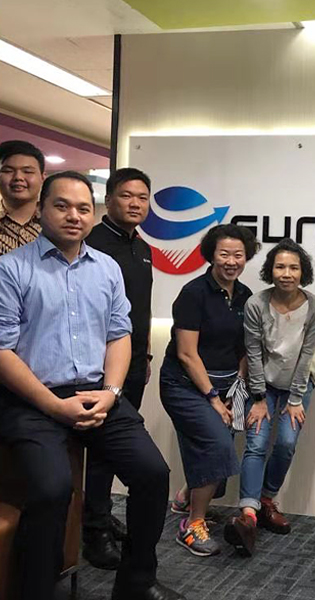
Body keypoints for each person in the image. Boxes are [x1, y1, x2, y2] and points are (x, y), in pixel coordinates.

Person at [0, 171, 182, 600]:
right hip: (32, 399)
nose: (74, 216)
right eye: (62, 206)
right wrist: (53, 405)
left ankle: (136, 582)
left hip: (97, 392)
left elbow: (119, 335)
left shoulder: (107, 268)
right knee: (52, 489)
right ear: (41, 210)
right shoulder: (11, 268)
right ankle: (37, 589)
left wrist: (111, 392)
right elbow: (2, 349)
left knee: (153, 474)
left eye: (83, 208)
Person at [160, 223, 260, 557]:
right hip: (185, 385)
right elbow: (187, 354)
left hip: (226, 385)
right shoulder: (194, 293)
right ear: (211, 256)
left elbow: (244, 347)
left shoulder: (244, 295)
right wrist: (214, 399)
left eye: (238, 255)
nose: (231, 261)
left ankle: (185, 497)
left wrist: (236, 388)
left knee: (220, 445)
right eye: (224, 254)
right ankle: (192, 524)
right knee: (216, 445)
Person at [224, 238, 315, 557]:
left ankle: (267, 499)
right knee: (256, 443)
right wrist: (257, 397)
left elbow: (307, 355)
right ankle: (249, 514)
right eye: (280, 267)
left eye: (294, 267)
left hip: (298, 384)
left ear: (303, 272)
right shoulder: (256, 303)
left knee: (286, 442)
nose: (287, 273)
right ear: (271, 270)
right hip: (263, 385)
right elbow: (253, 352)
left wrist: (295, 399)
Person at [81, 167, 155, 569]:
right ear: (108, 200)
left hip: (135, 362)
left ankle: (101, 514)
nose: (135, 204)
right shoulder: (92, 244)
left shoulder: (142, 248)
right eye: (126, 196)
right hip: (100, 367)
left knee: (114, 450)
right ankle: (93, 530)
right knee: (102, 451)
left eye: (142, 197)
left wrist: (146, 355)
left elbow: (141, 310)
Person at [0, 140, 44, 255]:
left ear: (42, 177)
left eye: (27, 171)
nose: (18, 177)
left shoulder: (55, 222)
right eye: (8, 171)